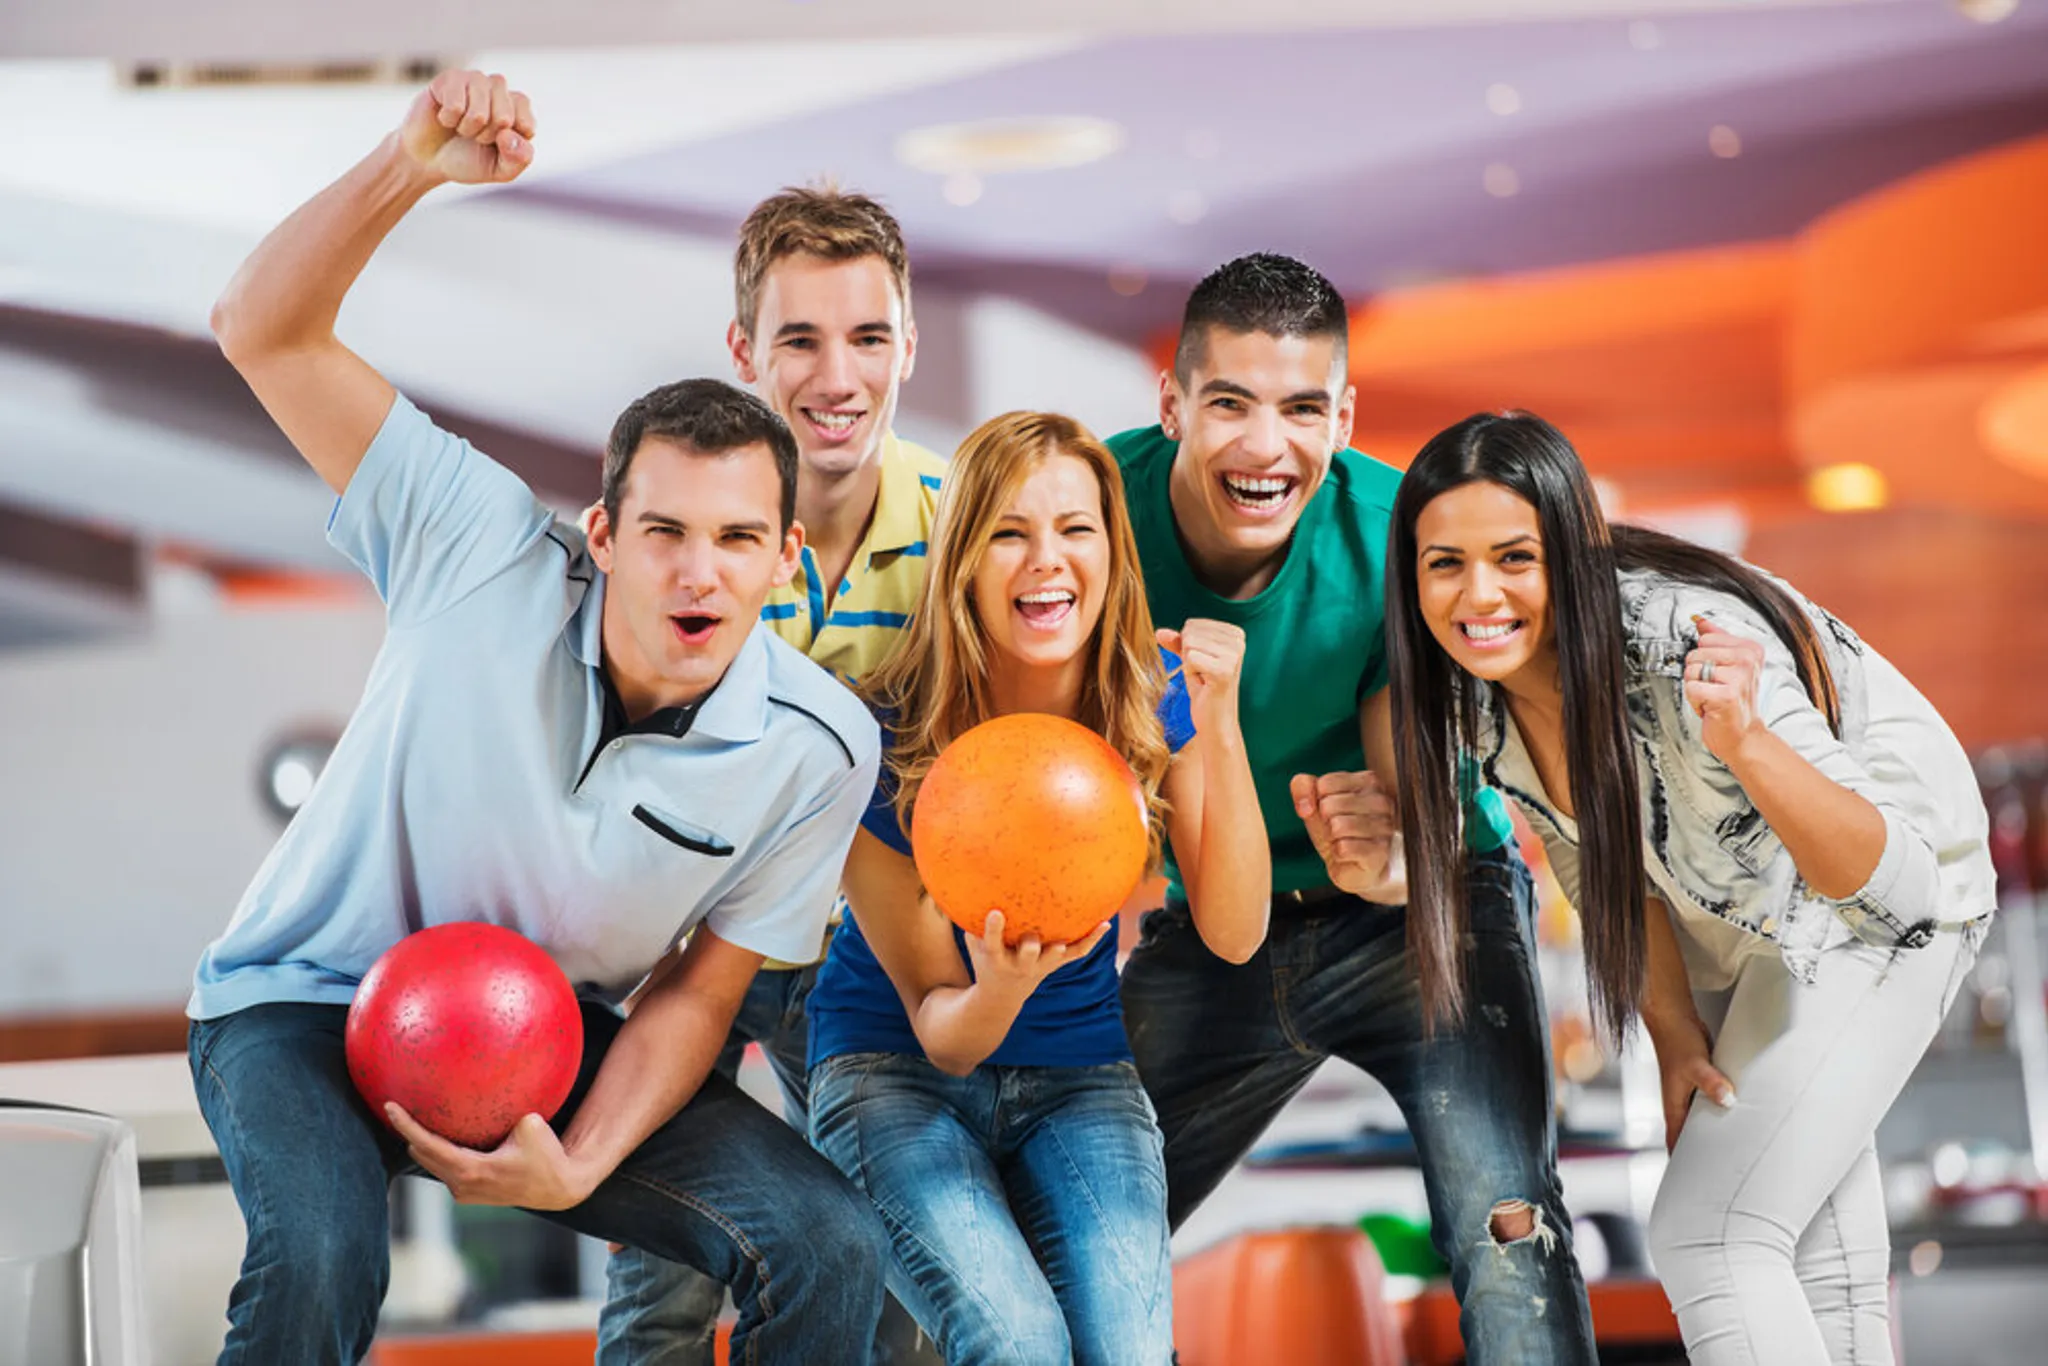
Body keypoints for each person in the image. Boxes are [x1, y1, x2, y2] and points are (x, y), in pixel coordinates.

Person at [186, 69, 889, 1365]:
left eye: (738, 540)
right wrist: (407, 163)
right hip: (299, 998)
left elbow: (698, 993)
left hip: (546, 1034)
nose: (699, 572)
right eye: (665, 532)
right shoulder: (478, 544)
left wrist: (582, 1161)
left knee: (833, 1244)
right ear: (603, 532)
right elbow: (260, 328)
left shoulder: (819, 747)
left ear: (783, 558)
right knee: (324, 1259)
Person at [1384, 410, 1996, 1365]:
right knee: (1812, 1268)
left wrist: (1746, 744)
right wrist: (1672, 1031)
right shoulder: (1470, 699)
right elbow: (1596, 861)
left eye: (1515, 557)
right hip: (1739, 924)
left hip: (1883, 899)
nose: (1479, 595)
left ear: (1574, 555)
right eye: (1444, 564)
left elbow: (1903, 892)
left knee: (1711, 1233)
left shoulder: (1687, 639)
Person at [1109, 254, 1599, 1362]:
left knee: (1505, 1226)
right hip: (1219, 920)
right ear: (1171, 404)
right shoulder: (1094, 520)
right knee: (1082, 1217)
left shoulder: (1392, 529)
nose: (1262, 444)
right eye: (1228, 402)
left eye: (1298, 408)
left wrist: (1397, 855)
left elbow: (1413, 778)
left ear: (1341, 417)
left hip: (1423, 904)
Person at [804, 410, 1270, 1364]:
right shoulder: (877, 740)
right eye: (1008, 533)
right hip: (893, 1073)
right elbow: (943, 1029)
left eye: (1074, 530)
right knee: (1016, 1343)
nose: (1044, 562)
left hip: (1079, 1077)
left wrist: (1216, 727)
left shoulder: (1159, 697)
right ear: (962, 560)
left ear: (1113, 551)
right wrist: (1003, 986)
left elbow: (1234, 930)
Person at [598, 186, 946, 1366]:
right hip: (697, 938)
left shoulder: (967, 532)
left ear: (910, 342)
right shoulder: (681, 536)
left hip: (875, 959)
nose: (834, 374)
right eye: (798, 339)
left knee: (881, 1279)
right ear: (745, 350)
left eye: (866, 336)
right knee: (665, 1284)